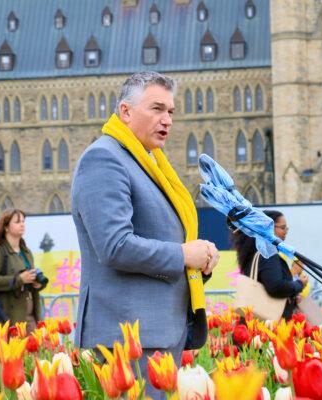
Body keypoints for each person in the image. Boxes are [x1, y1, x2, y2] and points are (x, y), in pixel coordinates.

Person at [71, 72, 219, 400]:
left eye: (171, 112)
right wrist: (183, 254)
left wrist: (200, 260)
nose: (167, 120)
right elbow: (114, 246)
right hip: (128, 339)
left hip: (157, 334)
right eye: (156, 109)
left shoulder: (149, 162)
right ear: (125, 111)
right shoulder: (104, 159)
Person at [232, 210, 308, 320]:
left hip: (255, 323)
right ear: (269, 228)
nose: (285, 232)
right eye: (283, 228)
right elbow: (276, 287)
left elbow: (268, 283)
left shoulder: (254, 252)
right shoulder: (268, 255)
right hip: (266, 328)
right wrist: (300, 283)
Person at [0, 209, 47, 333]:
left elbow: (29, 279)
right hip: (7, 317)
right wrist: (19, 279)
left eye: (23, 221)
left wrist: (37, 284)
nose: (22, 224)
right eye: (17, 222)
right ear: (6, 226)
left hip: (30, 317)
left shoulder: (26, 251)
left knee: (34, 351)